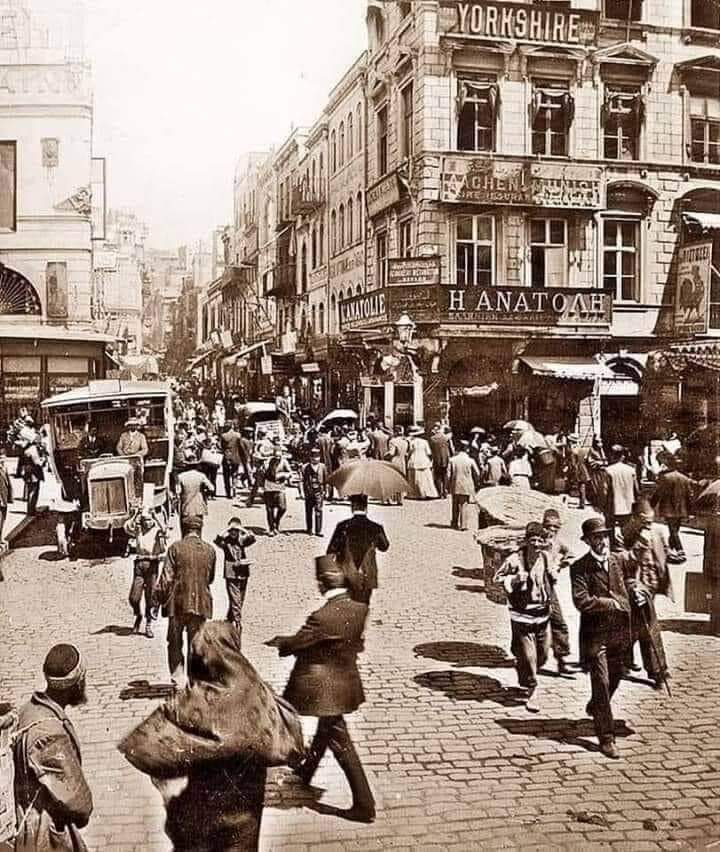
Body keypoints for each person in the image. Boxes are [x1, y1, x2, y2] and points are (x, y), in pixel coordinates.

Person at [119, 622, 303, 852]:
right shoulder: (259, 691)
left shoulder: (192, 701)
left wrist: (169, 782)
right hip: (246, 817)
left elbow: (141, 747)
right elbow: (288, 735)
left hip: (202, 817)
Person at [266, 556, 375, 823]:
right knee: (327, 731)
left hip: (325, 689)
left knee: (340, 741)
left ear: (321, 584)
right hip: (346, 682)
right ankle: (306, 773)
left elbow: (299, 643)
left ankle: (364, 804)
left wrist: (281, 642)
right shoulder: (359, 608)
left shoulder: (321, 617)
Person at [12, 644, 93, 851]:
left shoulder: (28, 710)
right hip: (45, 836)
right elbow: (78, 802)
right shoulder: (50, 734)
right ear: (75, 683)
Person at [570, 517, 632, 759]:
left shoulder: (617, 560)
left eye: (604, 536)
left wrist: (636, 590)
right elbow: (581, 600)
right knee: (602, 682)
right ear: (588, 541)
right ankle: (606, 738)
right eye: (596, 538)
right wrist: (609, 603)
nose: (602, 541)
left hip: (619, 632)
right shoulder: (579, 567)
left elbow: (630, 581)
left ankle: (597, 704)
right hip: (595, 636)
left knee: (618, 675)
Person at [494, 522, 557, 712]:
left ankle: (522, 665)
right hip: (522, 615)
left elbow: (550, 576)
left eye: (540, 540)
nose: (536, 544)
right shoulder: (515, 559)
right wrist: (513, 579)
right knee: (530, 657)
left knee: (544, 654)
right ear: (526, 541)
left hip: (542, 614)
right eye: (533, 540)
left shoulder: (546, 557)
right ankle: (532, 690)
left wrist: (553, 576)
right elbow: (496, 578)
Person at [154, 516, 216, 686]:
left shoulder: (175, 548)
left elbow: (166, 579)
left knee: (174, 642)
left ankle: (177, 678)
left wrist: (158, 600)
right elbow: (210, 579)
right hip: (201, 603)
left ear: (183, 529)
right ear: (200, 530)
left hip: (177, 604)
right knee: (196, 644)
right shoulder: (210, 550)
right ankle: (195, 681)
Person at [621, 531, 670, 690]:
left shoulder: (653, 539)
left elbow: (656, 571)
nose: (642, 548)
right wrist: (633, 588)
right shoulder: (623, 557)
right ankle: (624, 663)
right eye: (638, 546)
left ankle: (658, 671)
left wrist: (647, 591)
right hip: (629, 598)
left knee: (648, 631)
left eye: (644, 547)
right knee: (632, 631)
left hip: (646, 595)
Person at [327, 494, 389, 604]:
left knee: (349, 605)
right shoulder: (375, 527)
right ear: (366, 508)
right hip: (367, 572)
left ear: (352, 507)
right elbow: (384, 547)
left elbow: (331, 550)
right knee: (364, 604)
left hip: (347, 572)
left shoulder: (343, 526)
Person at [124, 507, 167, 638]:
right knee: (134, 597)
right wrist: (136, 514)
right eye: (145, 520)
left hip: (152, 565)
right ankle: (138, 614)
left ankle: (148, 624)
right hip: (139, 564)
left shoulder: (156, 531)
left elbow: (165, 530)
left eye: (149, 520)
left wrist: (157, 517)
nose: (147, 523)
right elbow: (127, 527)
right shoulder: (138, 530)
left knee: (151, 596)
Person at [541, 509, 575, 674]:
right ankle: (532, 657)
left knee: (558, 621)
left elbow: (570, 553)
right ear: (543, 526)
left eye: (555, 527)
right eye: (548, 526)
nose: (552, 530)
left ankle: (562, 659)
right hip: (533, 588)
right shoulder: (537, 541)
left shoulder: (558, 543)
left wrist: (561, 565)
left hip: (549, 587)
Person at [214, 517, 256, 646]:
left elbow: (252, 538)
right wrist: (228, 528)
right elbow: (217, 540)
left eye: (235, 530)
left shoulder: (242, 540)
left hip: (243, 573)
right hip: (231, 574)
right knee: (236, 603)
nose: (233, 532)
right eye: (232, 530)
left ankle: (228, 623)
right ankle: (237, 634)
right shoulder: (225, 542)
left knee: (239, 602)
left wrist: (241, 529)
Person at [650, 455, 696, 563]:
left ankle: (680, 550)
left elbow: (658, 493)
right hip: (682, 509)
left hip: (669, 508)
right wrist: (690, 511)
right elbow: (690, 496)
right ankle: (670, 551)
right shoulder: (685, 479)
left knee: (673, 531)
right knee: (674, 530)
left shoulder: (665, 478)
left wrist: (651, 505)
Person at [605, 445, 639, 550]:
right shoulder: (631, 470)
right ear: (623, 456)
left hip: (613, 505)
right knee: (626, 528)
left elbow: (605, 490)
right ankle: (627, 548)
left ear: (611, 455)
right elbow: (636, 488)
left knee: (610, 527)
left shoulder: (608, 470)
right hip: (628, 504)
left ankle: (613, 547)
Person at [447, 439, 480, 531]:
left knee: (454, 504)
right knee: (464, 505)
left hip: (455, 484)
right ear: (467, 449)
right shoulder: (470, 460)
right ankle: (463, 525)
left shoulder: (452, 460)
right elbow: (477, 473)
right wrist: (477, 482)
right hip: (466, 485)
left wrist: (447, 485)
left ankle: (454, 522)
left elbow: (448, 475)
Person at [263, 444, 292, 536]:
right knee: (269, 509)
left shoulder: (284, 462)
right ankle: (272, 528)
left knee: (283, 507)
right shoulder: (268, 461)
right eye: (276, 456)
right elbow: (264, 471)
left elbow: (290, 472)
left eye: (279, 456)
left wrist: (283, 475)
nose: (277, 458)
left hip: (279, 486)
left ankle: (277, 521)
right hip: (269, 486)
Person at [177, 463, 214, 534]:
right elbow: (212, 488)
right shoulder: (201, 476)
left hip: (185, 508)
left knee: (185, 531)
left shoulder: (181, 476)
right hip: (198, 507)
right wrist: (204, 493)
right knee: (198, 530)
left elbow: (178, 491)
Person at [407, 427, 438, 500]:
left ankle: (415, 493)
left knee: (415, 478)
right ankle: (428, 492)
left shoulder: (412, 442)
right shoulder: (425, 442)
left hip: (414, 460)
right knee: (426, 478)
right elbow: (428, 452)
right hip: (424, 460)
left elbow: (409, 452)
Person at [302, 447, 327, 536]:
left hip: (319, 492)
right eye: (313, 457)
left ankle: (318, 530)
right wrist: (303, 492)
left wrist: (325, 491)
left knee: (319, 510)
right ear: (310, 458)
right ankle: (309, 529)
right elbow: (303, 480)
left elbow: (325, 479)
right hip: (309, 492)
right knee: (308, 511)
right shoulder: (305, 467)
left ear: (319, 457)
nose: (315, 459)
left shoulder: (323, 466)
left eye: (317, 457)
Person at [566, 434, 590, 509]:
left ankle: (582, 504)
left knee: (581, 486)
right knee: (582, 486)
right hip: (583, 468)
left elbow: (573, 463)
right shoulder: (581, 449)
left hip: (578, 470)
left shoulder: (573, 451)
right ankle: (582, 503)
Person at [386, 426, 409, 505]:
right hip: (402, 461)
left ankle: (391, 499)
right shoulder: (405, 441)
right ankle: (400, 499)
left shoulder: (393, 441)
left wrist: (386, 455)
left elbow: (392, 453)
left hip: (394, 461)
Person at [219, 422, 242, 499]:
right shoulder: (238, 435)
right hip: (236, 457)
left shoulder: (223, 436)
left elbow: (221, 447)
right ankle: (234, 491)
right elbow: (240, 446)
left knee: (226, 476)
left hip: (226, 457)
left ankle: (228, 493)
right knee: (235, 474)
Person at [429, 423, 452, 499]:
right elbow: (450, 448)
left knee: (437, 476)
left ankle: (440, 492)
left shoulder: (432, 438)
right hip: (445, 458)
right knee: (444, 475)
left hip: (436, 459)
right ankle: (445, 491)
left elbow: (431, 450)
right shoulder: (446, 438)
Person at [23, 437, 44, 516]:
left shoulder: (27, 449)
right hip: (34, 475)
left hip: (29, 473)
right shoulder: (33, 450)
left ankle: (30, 510)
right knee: (33, 492)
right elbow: (37, 463)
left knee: (30, 492)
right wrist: (43, 461)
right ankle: (31, 510)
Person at [0, 446, 13, 544]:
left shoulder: (4, 467)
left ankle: (0, 538)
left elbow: (8, 483)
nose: (3, 459)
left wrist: (10, 497)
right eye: (1, 457)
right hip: (0, 499)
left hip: (5, 497)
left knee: (3, 519)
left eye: (4, 457)